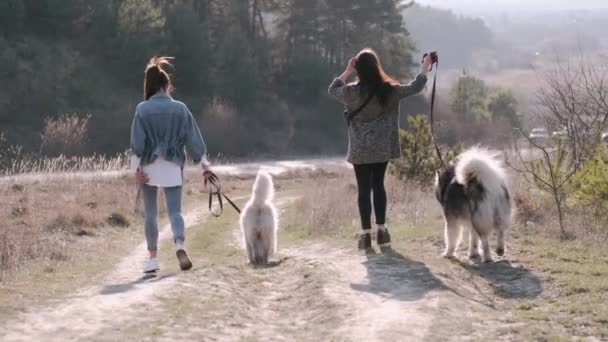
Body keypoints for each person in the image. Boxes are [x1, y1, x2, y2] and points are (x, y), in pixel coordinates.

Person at [328, 48, 433, 250]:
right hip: (382, 148)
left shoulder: (351, 92)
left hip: (360, 150)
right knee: (378, 186)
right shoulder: (389, 91)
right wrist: (425, 66)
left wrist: (347, 71)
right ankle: (382, 232)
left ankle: (365, 235)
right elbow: (416, 86)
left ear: (359, 69)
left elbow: (333, 89)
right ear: (377, 67)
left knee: (363, 190)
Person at [131, 56, 214, 273]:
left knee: (151, 213)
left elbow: (137, 144)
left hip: (148, 165)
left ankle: (153, 259)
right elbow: (193, 139)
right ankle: (179, 245)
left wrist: (136, 170)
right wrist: (204, 165)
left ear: (149, 85)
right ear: (166, 85)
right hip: (172, 165)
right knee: (175, 211)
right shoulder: (180, 109)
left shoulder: (142, 109)